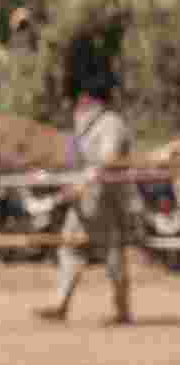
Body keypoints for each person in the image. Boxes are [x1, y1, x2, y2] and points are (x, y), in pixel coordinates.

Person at [38, 83, 134, 325]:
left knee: (113, 255)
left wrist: (85, 181)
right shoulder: (79, 127)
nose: (77, 104)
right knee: (70, 248)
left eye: (81, 99)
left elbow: (109, 160)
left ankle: (122, 310)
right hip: (82, 200)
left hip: (107, 199)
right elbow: (72, 160)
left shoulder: (111, 123)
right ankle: (60, 304)